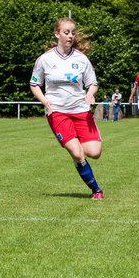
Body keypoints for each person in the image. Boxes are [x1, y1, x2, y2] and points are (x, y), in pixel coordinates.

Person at [29, 18, 105, 199]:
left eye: (73, 32)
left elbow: (93, 83)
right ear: (57, 34)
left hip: (81, 110)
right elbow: (34, 84)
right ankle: (96, 190)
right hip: (57, 112)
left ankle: (77, 150)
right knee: (78, 153)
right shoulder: (45, 59)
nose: (70, 36)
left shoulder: (81, 59)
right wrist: (45, 102)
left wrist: (90, 94)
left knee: (94, 152)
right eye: (66, 32)